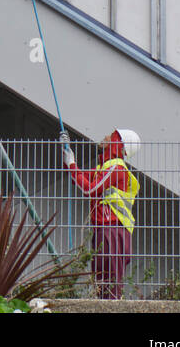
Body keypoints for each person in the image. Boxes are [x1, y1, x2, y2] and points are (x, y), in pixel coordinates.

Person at [60, 127, 140, 300]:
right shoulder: (105, 168)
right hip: (107, 231)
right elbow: (79, 178)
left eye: (112, 135)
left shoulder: (115, 168)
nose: (106, 136)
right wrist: (68, 155)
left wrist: (72, 163)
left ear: (119, 144)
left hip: (112, 231)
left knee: (109, 285)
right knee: (103, 282)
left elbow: (90, 189)